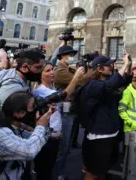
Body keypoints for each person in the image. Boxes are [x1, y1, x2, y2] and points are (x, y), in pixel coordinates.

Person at [0, 91, 53, 180]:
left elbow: (40, 139)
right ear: (17, 113)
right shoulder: (1, 134)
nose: (35, 109)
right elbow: (29, 151)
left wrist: (47, 116)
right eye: (33, 106)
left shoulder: (14, 127)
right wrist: (40, 126)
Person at [0, 49, 47, 137]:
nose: (40, 71)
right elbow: (13, 120)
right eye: (38, 67)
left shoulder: (12, 75)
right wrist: (38, 130)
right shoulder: (14, 87)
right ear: (24, 67)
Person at [79, 54, 131, 180]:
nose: (112, 67)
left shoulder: (107, 82)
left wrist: (128, 65)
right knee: (93, 172)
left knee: (103, 170)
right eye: (109, 65)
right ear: (100, 69)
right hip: (99, 137)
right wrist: (124, 65)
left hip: (111, 135)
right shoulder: (93, 85)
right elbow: (113, 83)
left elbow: (125, 80)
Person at [52, 45, 85, 180]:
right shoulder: (60, 70)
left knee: (66, 147)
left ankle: (59, 171)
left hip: (71, 110)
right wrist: (80, 74)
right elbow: (81, 81)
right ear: (62, 57)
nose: (72, 57)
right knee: (62, 147)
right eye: (69, 55)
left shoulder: (69, 68)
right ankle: (56, 174)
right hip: (64, 111)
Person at [33, 63, 63, 180]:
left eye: (53, 70)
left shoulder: (51, 88)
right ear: (40, 75)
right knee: (44, 172)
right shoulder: (41, 91)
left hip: (54, 135)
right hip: (46, 137)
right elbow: (63, 96)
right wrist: (76, 78)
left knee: (48, 169)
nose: (52, 72)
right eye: (47, 71)